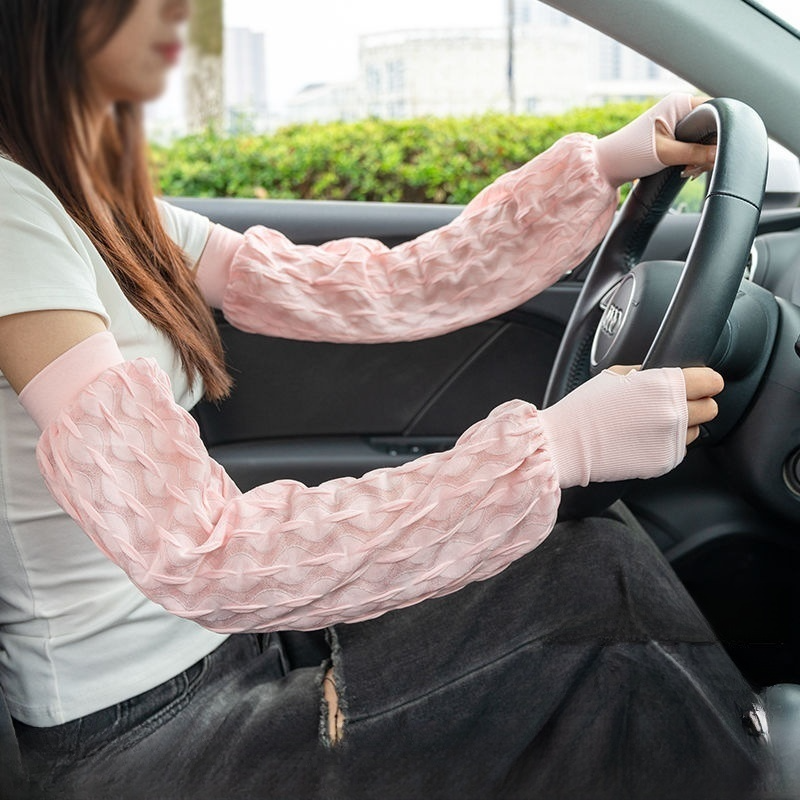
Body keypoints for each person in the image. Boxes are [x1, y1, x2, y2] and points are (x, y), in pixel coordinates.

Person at [0, 0, 772, 798]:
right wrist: (555, 449)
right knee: (604, 600)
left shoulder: (99, 204)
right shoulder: (10, 214)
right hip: (144, 734)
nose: (178, 13)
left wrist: (601, 166)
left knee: (582, 554)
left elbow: (386, 287)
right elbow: (202, 552)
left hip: (229, 650)